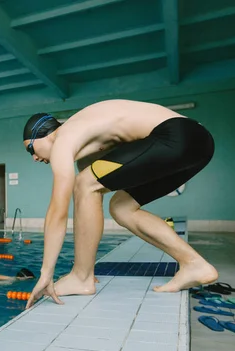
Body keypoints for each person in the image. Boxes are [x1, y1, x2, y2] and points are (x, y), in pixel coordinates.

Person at [22, 99, 218, 309]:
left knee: (84, 184)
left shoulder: (63, 137)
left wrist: (46, 273)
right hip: (199, 144)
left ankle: (81, 278)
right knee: (121, 208)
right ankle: (193, 264)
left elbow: (57, 212)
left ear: (45, 135)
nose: (34, 158)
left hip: (176, 135)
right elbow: (90, 200)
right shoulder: (87, 139)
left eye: (31, 149)